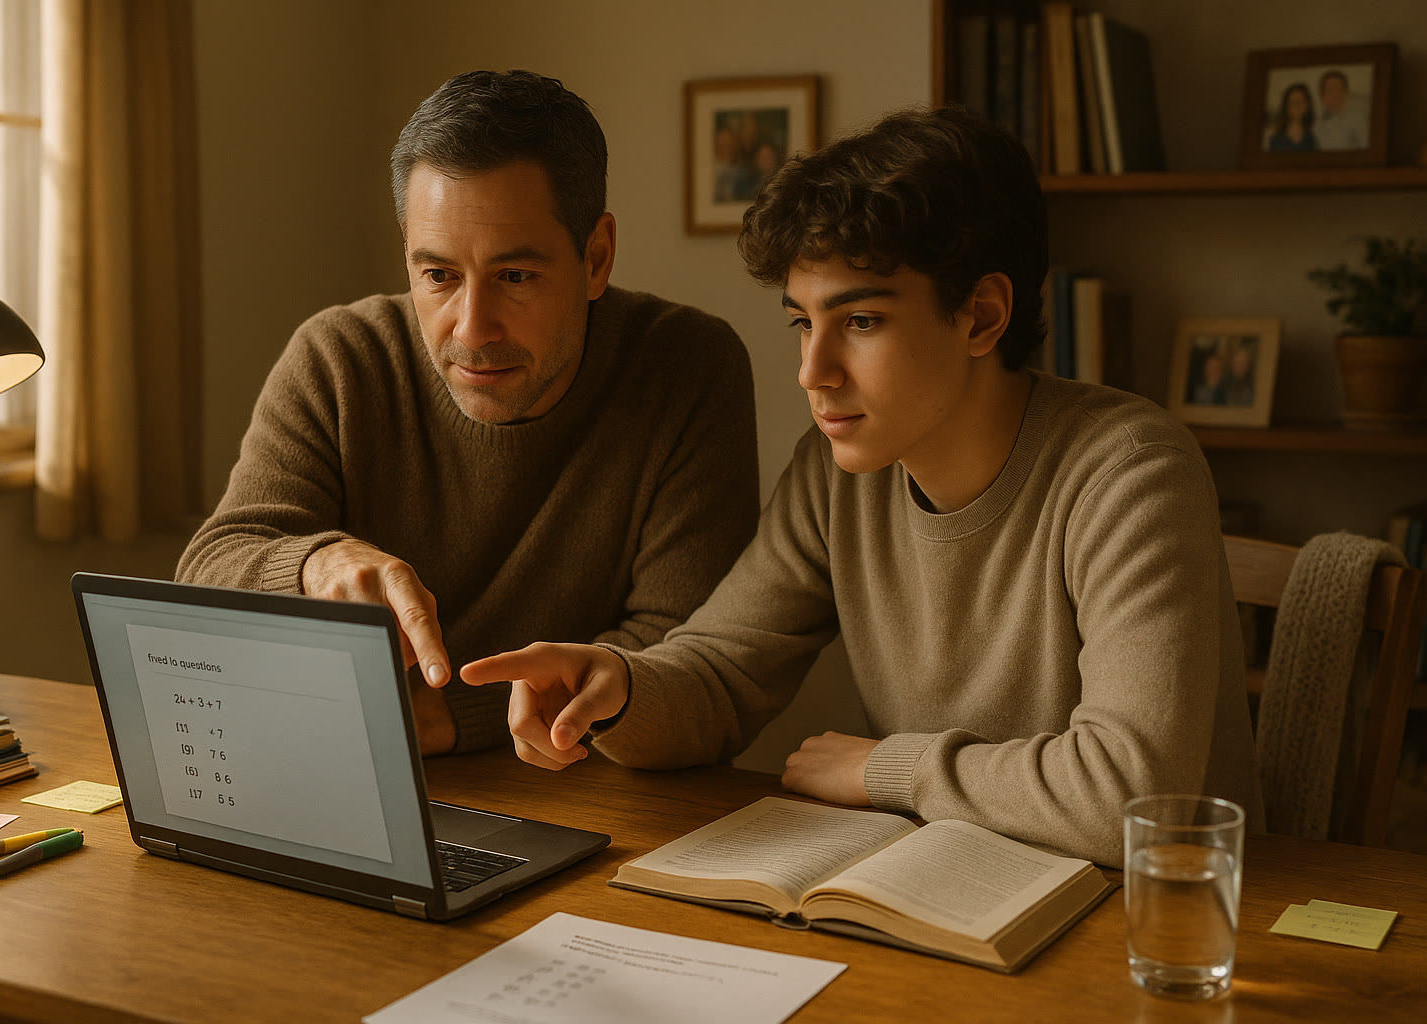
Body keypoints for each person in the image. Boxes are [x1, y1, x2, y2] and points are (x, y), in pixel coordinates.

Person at [459, 105, 1264, 867]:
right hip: (949, 893)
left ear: (982, 316)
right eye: (803, 322)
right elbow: (722, 674)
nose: (814, 371)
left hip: (1172, 924)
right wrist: (618, 688)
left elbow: (1132, 795)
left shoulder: (1131, 471)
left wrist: (889, 770)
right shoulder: (836, 472)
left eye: (862, 321)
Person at [177, 70, 760, 756]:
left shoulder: (688, 365)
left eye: (515, 277)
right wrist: (314, 563)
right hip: (362, 771)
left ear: (595, 258)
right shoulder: (339, 358)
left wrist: (444, 717)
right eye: (439, 276)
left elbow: (681, 651)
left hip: (594, 788)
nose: (472, 329)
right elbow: (211, 566)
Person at [1315, 69, 1367, 151]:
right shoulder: (1316, 124)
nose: (1334, 94)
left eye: (1338, 89)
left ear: (1345, 93)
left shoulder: (1358, 120)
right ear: (1323, 96)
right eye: (1330, 90)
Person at [1267, 82, 1317, 152]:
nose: (1297, 106)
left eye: (1301, 101)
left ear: (1307, 106)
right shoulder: (1275, 140)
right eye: (1292, 102)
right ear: (1286, 106)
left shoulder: (1313, 139)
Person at [1221, 339, 1256, 407]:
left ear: (1248, 365)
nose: (1239, 366)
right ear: (1232, 363)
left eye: (1243, 363)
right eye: (1237, 363)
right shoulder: (1224, 384)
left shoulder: (1252, 386)